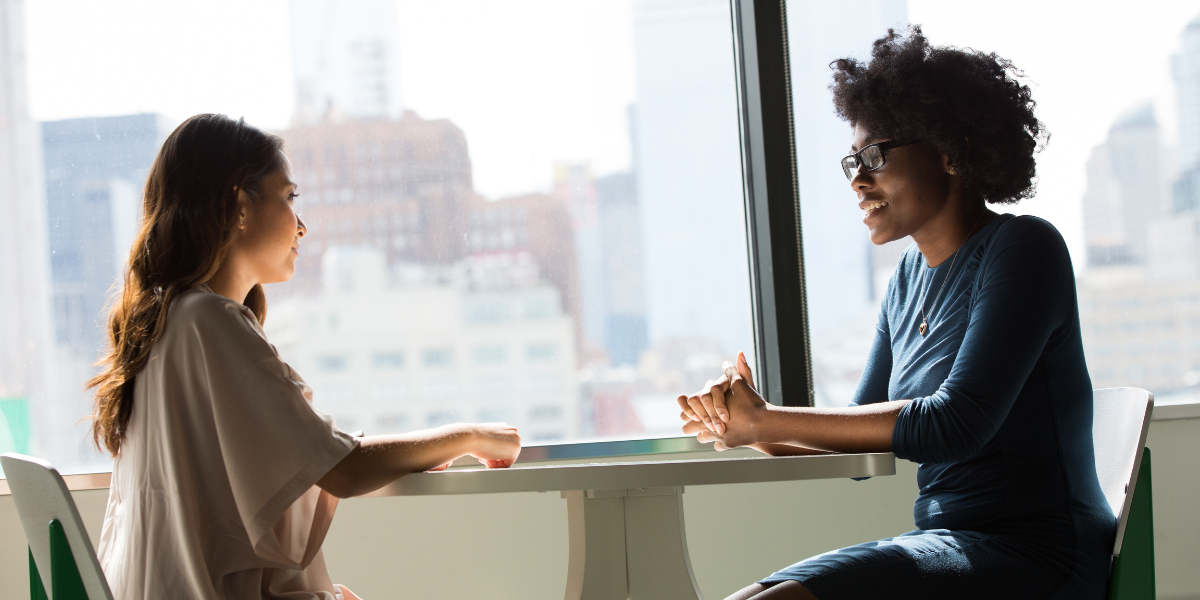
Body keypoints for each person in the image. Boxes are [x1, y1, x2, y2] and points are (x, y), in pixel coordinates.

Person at [678, 27, 1115, 600]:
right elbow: (863, 448)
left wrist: (768, 420)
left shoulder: (1025, 249)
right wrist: (748, 427)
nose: (859, 180)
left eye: (876, 155)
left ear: (951, 152)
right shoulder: (906, 282)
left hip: (1040, 555)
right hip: (946, 543)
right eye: (852, 161)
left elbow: (955, 423)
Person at [88, 113, 522, 600]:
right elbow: (343, 468)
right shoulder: (209, 323)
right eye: (290, 198)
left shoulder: (164, 326)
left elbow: (223, 522)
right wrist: (467, 436)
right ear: (239, 205)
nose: (303, 226)